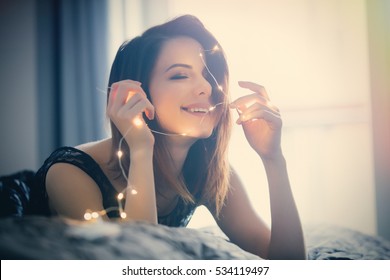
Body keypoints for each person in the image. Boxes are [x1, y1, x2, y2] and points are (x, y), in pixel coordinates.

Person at [35, 15, 305, 259]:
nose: (206, 87)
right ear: (138, 94)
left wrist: (273, 159)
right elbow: (134, 265)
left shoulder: (207, 170)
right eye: (179, 75)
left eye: (208, 75)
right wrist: (140, 150)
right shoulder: (70, 172)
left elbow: (287, 265)